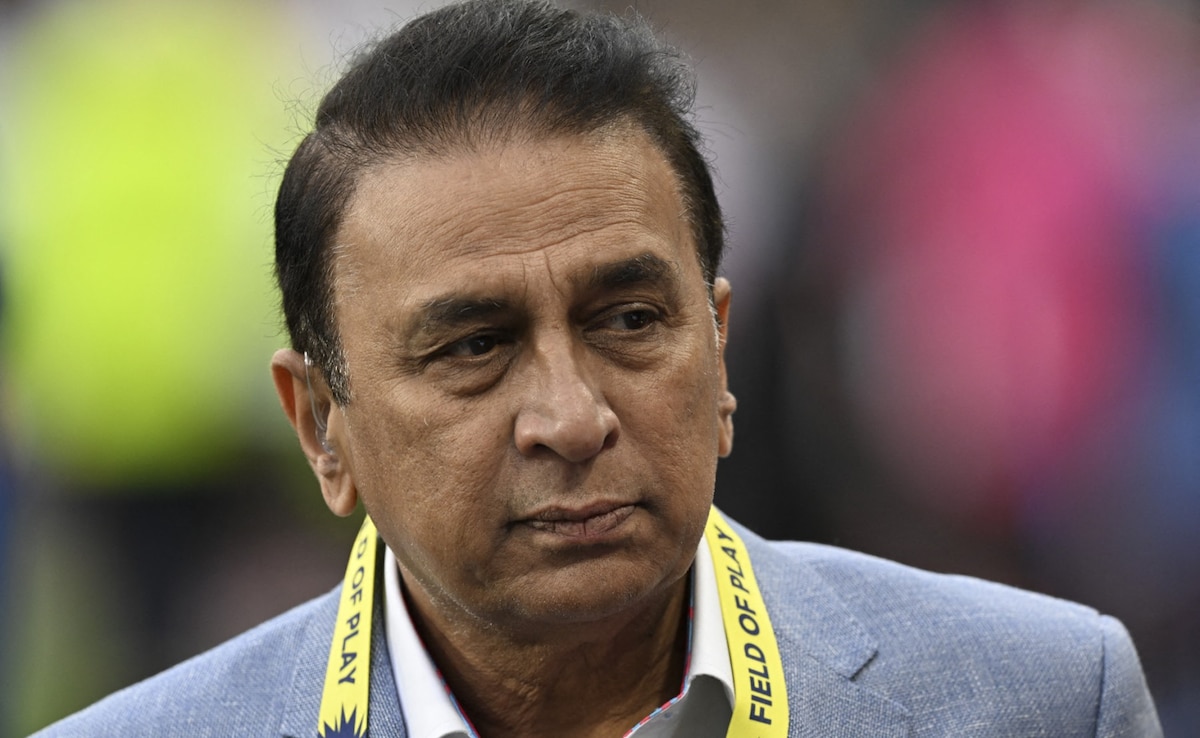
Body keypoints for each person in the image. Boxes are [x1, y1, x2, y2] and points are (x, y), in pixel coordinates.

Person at [33, 0, 1162, 735]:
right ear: (323, 427)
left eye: (628, 320)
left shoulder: (1047, 698)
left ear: (720, 349)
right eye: (473, 348)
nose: (571, 419)